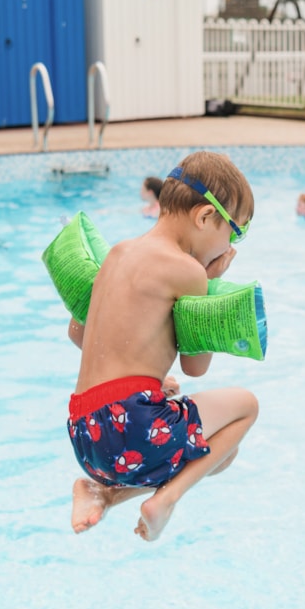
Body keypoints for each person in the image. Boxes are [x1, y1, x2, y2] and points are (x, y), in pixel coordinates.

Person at [66, 150, 259, 542]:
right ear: (205, 217)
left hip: (84, 433)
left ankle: (100, 491)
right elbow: (196, 366)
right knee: (244, 410)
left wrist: (150, 380)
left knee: (218, 453)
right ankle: (165, 500)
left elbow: (78, 333)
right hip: (134, 429)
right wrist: (207, 286)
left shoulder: (117, 253)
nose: (230, 246)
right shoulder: (188, 271)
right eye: (234, 233)